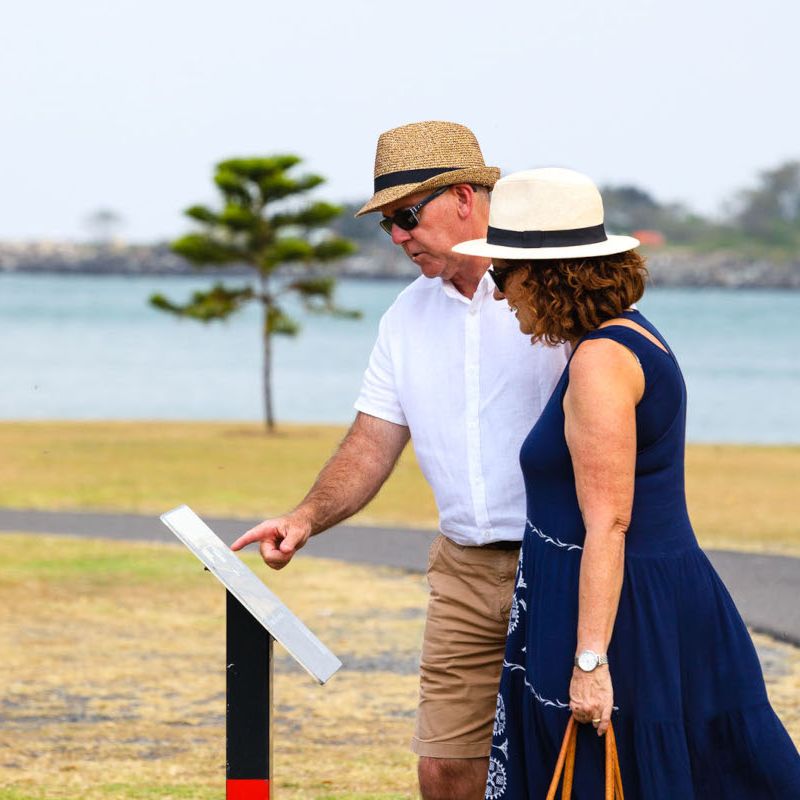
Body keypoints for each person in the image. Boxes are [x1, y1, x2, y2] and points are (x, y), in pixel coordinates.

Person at [231, 122, 569, 799]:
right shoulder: (405, 316)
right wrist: (304, 519)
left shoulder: (557, 293)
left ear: (467, 197)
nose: (397, 237)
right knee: (445, 767)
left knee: (575, 752)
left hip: (567, 560)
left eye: (407, 216)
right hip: (465, 569)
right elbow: (371, 439)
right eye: (389, 222)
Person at [452, 167, 800, 799]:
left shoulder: (601, 362)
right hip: (625, 599)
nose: (500, 295)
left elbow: (608, 521)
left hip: (626, 613)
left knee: (619, 773)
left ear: (548, 274)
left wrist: (589, 661)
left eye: (503, 275)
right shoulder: (622, 338)